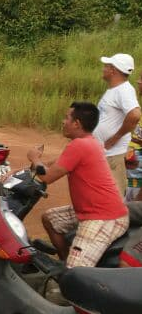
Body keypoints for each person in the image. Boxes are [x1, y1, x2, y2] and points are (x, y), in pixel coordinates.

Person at [32, 102, 130, 267]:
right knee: (50, 219)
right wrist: (15, 171)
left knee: (75, 270)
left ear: (76, 123)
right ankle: (63, 261)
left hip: (103, 217)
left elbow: (46, 177)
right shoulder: (89, 142)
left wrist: (34, 158)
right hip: (91, 210)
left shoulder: (80, 145)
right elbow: (53, 165)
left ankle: (69, 274)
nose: (64, 122)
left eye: (66, 118)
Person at [94, 53, 140, 197]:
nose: (103, 69)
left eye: (106, 66)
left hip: (113, 155)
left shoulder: (124, 90)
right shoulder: (116, 90)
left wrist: (115, 138)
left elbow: (135, 115)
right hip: (106, 154)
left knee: (113, 198)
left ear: (113, 70)